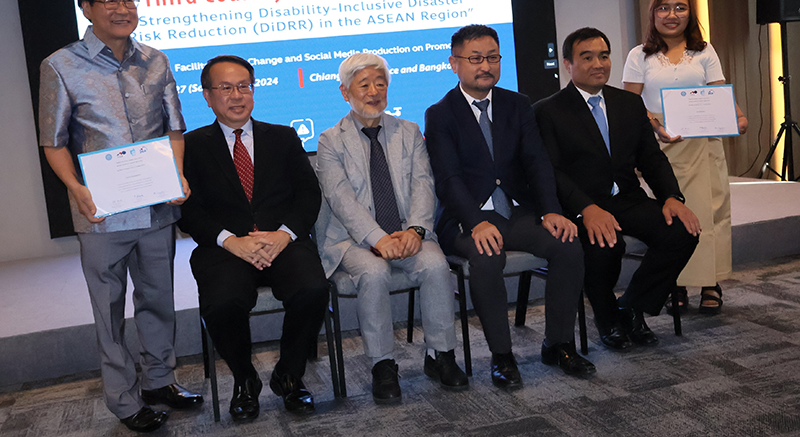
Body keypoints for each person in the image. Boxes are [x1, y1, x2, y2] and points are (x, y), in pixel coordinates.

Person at [38, 0, 202, 433]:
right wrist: (77, 189)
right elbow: (53, 142)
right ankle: (124, 401)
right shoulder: (60, 65)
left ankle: (159, 381)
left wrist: (176, 175)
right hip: (102, 214)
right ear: (86, 8)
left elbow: (173, 128)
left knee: (158, 300)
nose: (123, 7)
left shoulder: (155, 61)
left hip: (155, 207)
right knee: (109, 312)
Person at [424, 24, 595, 387]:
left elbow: (537, 161)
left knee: (567, 244)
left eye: (492, 57)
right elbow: (448, 179)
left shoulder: (517, 104)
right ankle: (502, 356)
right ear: (454, 63)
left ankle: (559, 343)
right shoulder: (440, 113)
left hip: (515, 210)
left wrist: (551, 209)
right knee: (486, 258)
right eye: (475, 59)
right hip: (466, 216)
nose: (485, 66)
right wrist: (474, 221)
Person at [178, 55, 328, 420]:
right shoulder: (191, 146)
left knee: (313, 288)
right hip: (225, 248)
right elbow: (188, 210)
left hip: (282, 242)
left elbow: (309, 194)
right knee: (224, 302)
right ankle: (245, 380)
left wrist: (284, 234)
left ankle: (289, 374)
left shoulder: (283, 136)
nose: (237, 95)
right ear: (207, 96)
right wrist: (232, 241)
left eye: (244, 86)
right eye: (225, 88)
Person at [534, 27, 701, 351]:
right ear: (568, 63)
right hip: (580, 206)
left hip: (626, 198)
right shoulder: (548, 111)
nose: (598, 63)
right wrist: (587, 209)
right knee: (605, 243)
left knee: (683, 230)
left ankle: (632, 306)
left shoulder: (628, 103)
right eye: (587, 57)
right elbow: (550, 172)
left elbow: (651, 158)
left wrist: (672, 197)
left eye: (604, 56)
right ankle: (607, 317)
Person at [315, 52, 468, 404]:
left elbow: (423, 185)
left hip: (405, 231)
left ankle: (440, 355)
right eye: (364, 84)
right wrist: (378, 239)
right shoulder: (330, 140)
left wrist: (415, 231)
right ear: (345, 92)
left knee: (434, 264)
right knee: (373, 272)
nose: (373, 92)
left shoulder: (409, 131)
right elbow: (341, 201)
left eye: (380, 83)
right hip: (353, 239)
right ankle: (383, 364)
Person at [622, 0, 748, 315]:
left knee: (710, 212)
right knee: (672, 215)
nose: (672, 15)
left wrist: (737, 117)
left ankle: (711, 282)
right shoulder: (639, 55)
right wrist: (655, 125)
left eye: (680, 7)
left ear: (690, 12)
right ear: (653, 13)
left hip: (705, 143)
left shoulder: (704, 51)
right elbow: (629, 106)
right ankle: (673, 283)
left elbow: (721, 94)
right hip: (661, 148)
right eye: (664, 7)